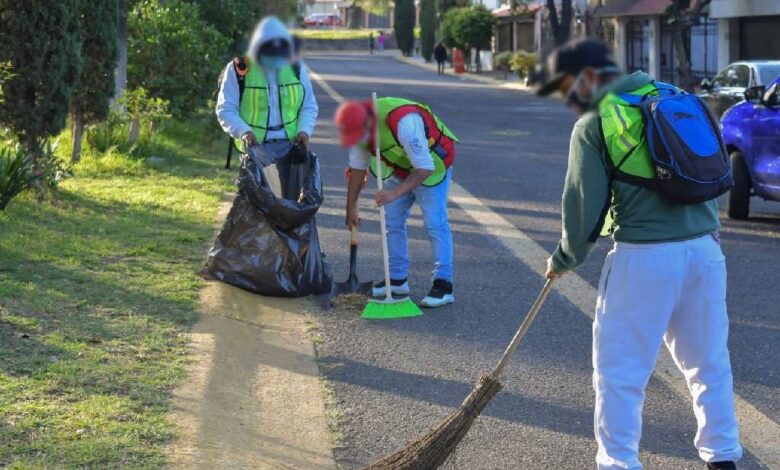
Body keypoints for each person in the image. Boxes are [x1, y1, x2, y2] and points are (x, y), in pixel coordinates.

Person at [535, 38, 742, 470]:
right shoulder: (677, 98)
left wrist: (565, 258)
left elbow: (583, 207)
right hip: (706, 250)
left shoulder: (596, 121)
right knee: (709, 364)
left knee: (621, 373)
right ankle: (723, 457)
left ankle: (619, 462)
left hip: (643, 258)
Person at [334, 97, 459, 307]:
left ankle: (443, 284)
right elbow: (357, 172)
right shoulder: (358, 131)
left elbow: (424, 167)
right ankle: (397, 279)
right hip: (400, 167)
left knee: (435, 223)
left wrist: (395, 193)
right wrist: (350, 210)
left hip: (431, 166)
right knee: (391, 222)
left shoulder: (405, 123)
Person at [216, 16, 318, 157]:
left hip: (291, 146)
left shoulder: (296, 68)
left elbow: (308, 106)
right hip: (253, 148)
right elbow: (226, 109)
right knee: (256, 180)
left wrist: (304, 131)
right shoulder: (239, 69)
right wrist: (244, 132)